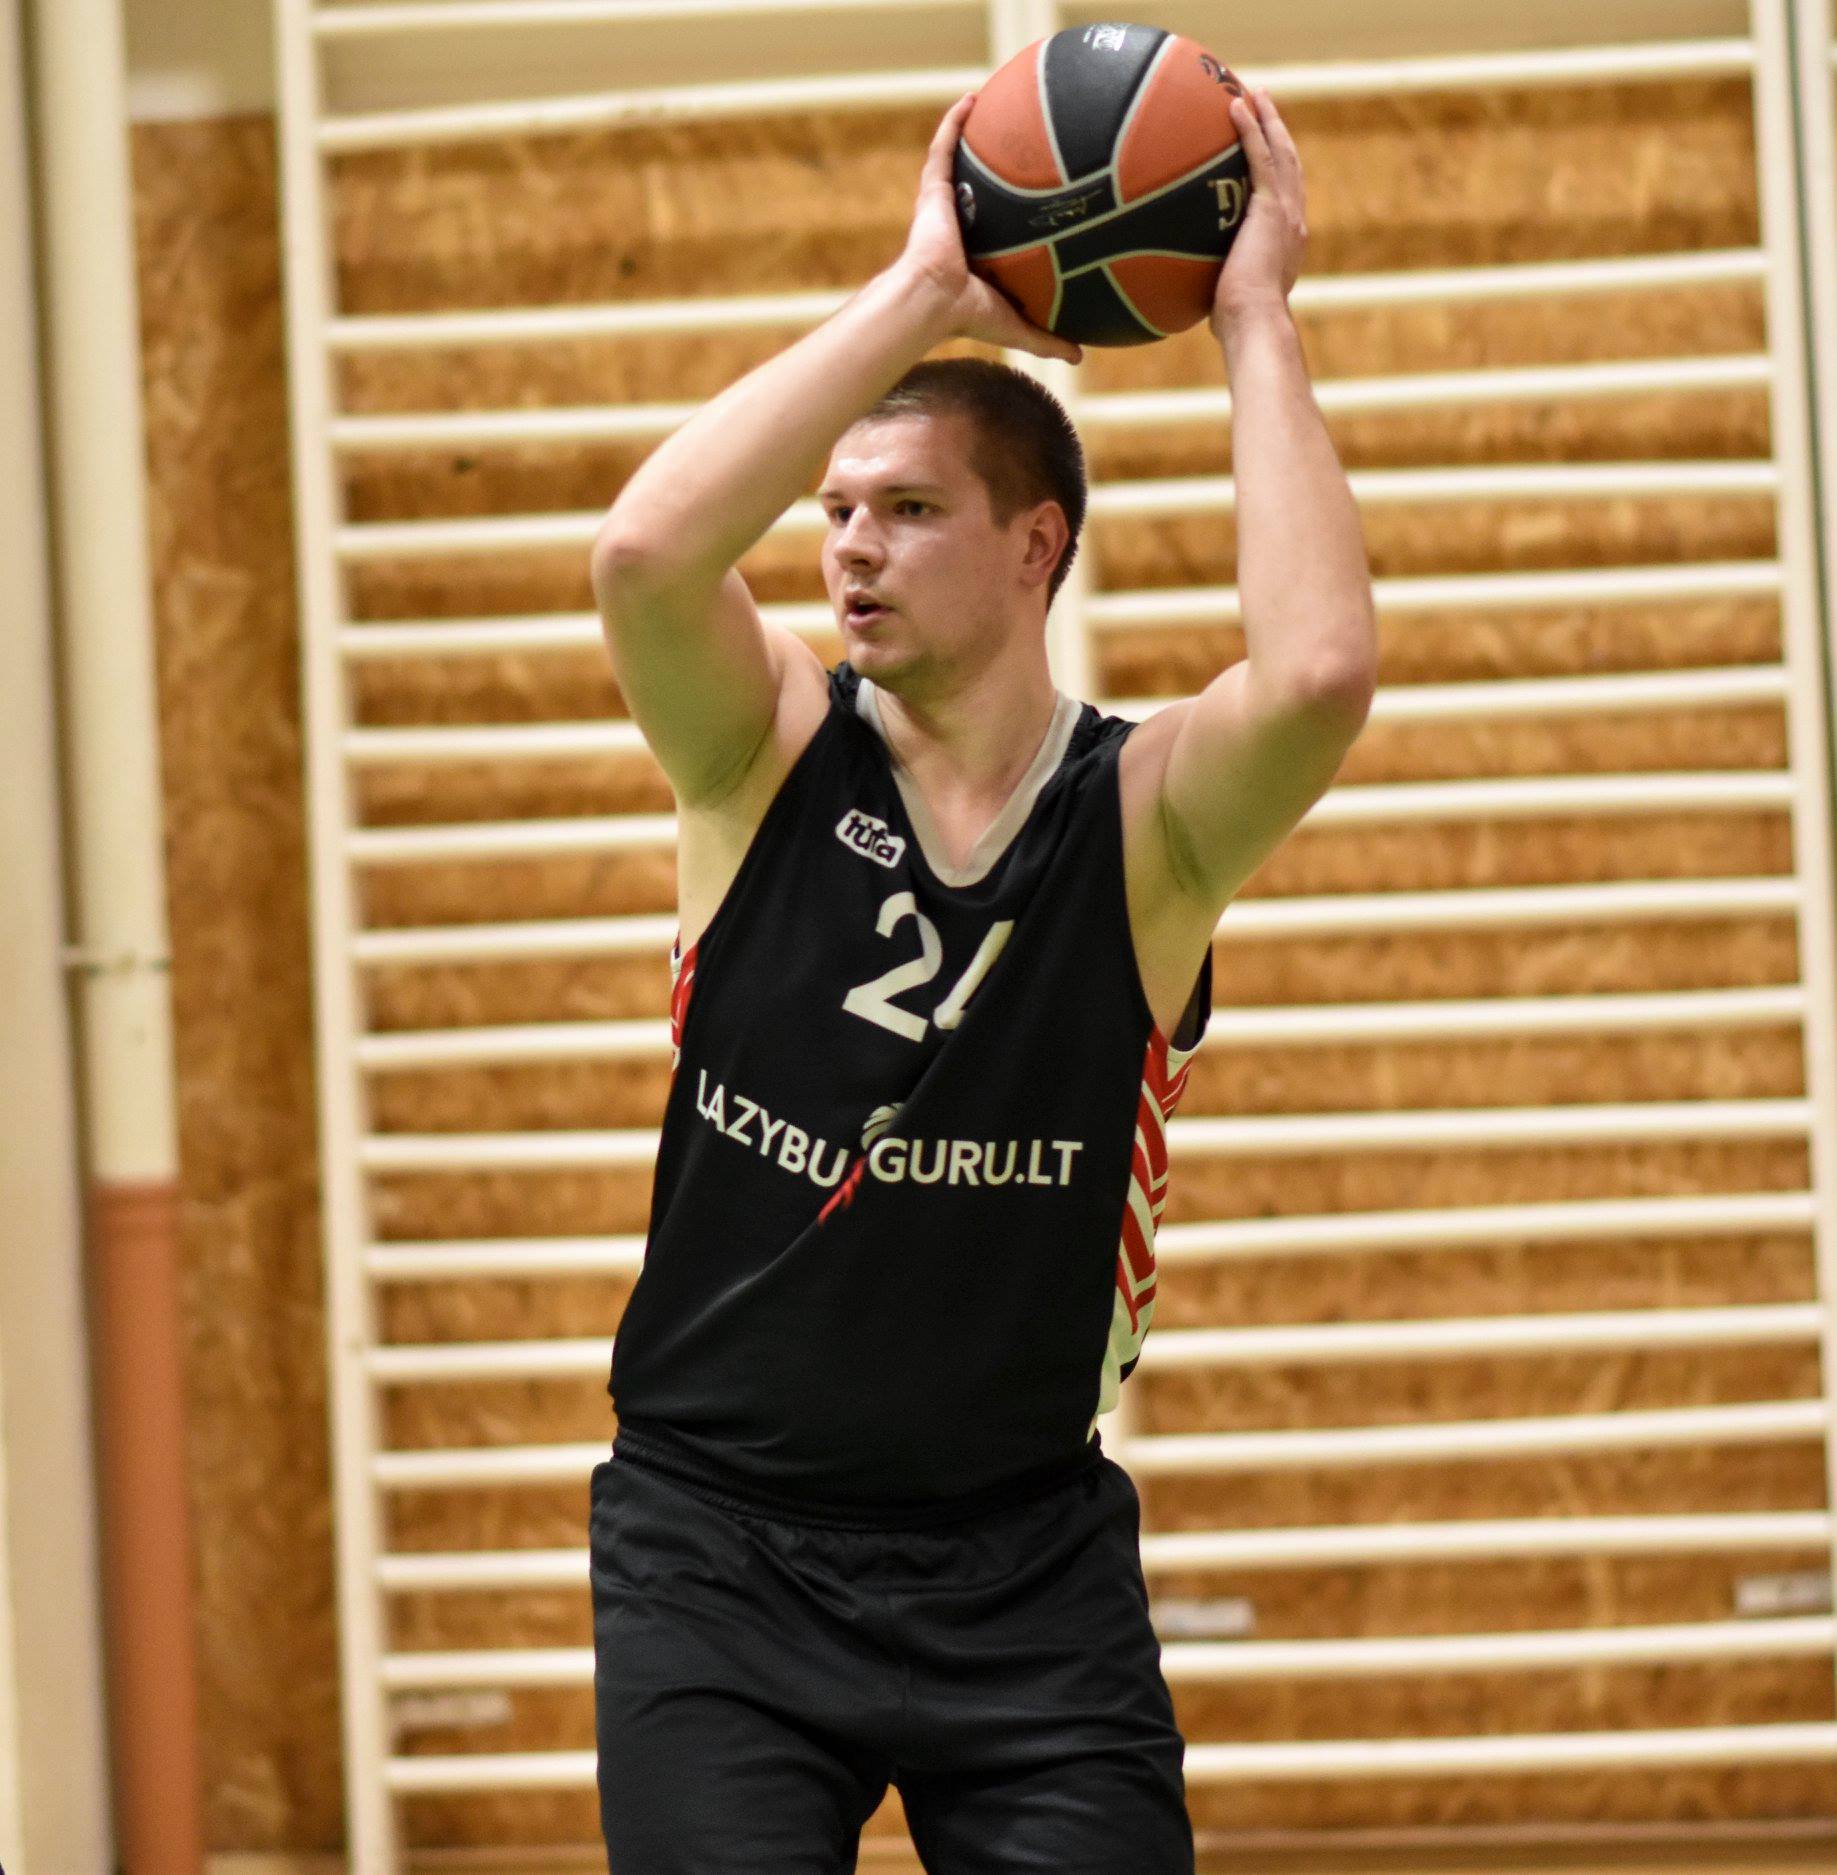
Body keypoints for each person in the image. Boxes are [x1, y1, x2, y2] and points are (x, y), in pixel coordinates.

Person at [585, 83, 1374, 1875]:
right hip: (717, 1553)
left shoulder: (1148, 819)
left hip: (1024, 1571)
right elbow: (641, 552)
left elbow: (1319, 672)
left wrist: (1254, 316)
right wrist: (924, 293)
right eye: (836, 510)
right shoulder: (760, 755)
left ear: (1037, 547)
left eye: (910, 508)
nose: (848, 546)